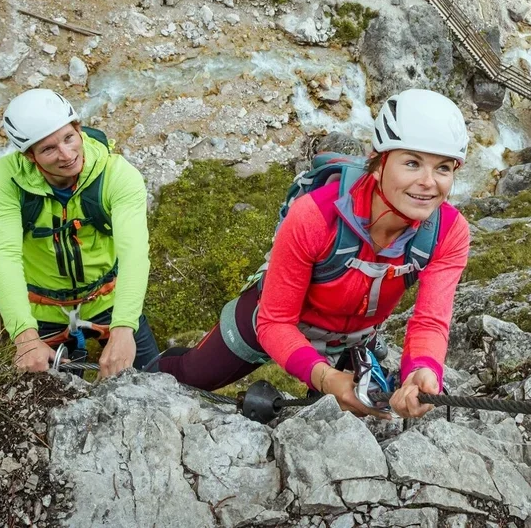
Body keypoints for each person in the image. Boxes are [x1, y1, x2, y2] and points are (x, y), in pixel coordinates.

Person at [155, 88, 472, 420]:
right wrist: (326, 378)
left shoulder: (449, 233)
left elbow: (429, 321)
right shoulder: (316, 216)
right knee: (191, 376)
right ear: (378, 165)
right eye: (412, 163)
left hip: (354, 338)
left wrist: (423, 368)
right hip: (271, 317)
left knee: (339, 420)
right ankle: (142, 368)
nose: (428, 182)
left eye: (443, 168)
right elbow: (275, 321)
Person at [0, 88, 158, 378]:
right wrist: (25, 337)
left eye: (69, 138)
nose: (66, 155)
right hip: (43, 312)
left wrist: (124, 327)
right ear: (29, 155)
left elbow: (134, 253)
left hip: (109, 300)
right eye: (48, 149)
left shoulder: (117, 174)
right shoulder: (6, 179)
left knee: (152, 380)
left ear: (78, 128)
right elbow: (4, 255)